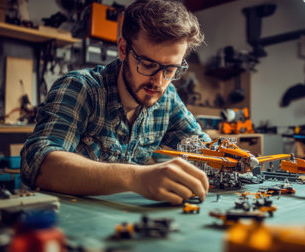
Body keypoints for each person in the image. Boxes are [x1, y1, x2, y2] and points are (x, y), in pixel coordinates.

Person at [21, 0, 210, 205]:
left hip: (121, 219)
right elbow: (40, 164)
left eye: (171, 69)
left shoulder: (167, 99)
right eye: (147, 65)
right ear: (122, 49)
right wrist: (136, 177)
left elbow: (203, 149)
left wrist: (237, 159)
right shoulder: (80, 88)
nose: (159, 81)